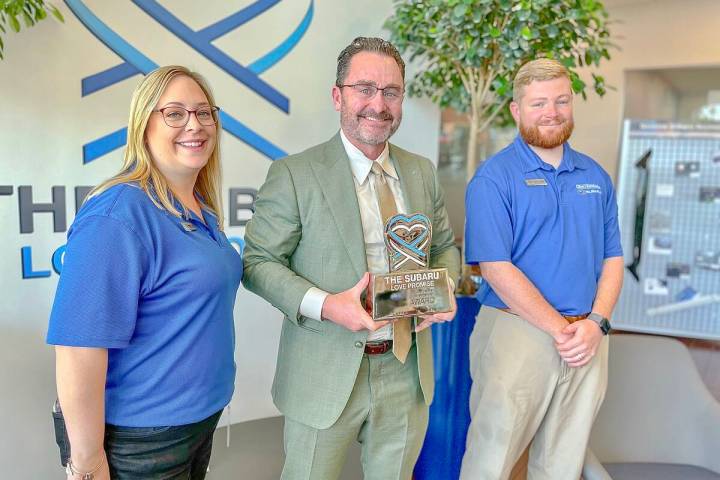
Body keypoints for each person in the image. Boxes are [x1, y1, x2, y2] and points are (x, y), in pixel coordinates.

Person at [242, 37, 461, 479]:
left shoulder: (420, 171)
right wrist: (327, 305)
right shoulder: (295, 174)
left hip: (405, 370)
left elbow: (444, 247)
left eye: (391, 92)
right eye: (365, 88)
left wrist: (445, 288)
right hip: (324, 372)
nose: (378, 105)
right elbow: (257, 262)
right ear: (338, 95)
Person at [47, 65, 242, 480]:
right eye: (174, 113)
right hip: (140, 443)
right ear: (143, 126)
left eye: (204, 112)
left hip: (196, 424)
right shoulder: (116, 215)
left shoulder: (199, 208)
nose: (195, 124)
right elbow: (78, 349)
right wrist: (88, 462)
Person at [460, 58, 624, 480]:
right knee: (490, 461)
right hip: (518, 333)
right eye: (538, 103)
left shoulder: (595, 177)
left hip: (587, 338)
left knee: (562, 463)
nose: (551, 112)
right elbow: (495, 267)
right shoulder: (493, 179)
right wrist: (559, 329)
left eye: (561, 101)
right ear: (517, 111)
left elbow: (613, 258)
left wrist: (596, 323)